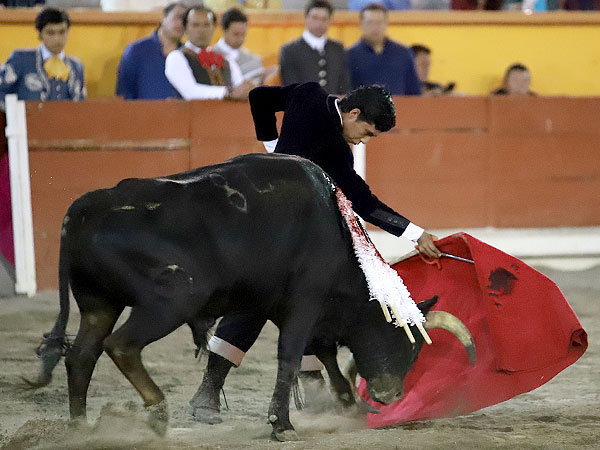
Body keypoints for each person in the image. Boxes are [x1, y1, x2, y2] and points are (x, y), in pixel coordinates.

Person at [188, 81, 441, 424]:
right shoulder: (329, 136)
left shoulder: (310, 101)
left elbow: (363, 202)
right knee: (256, 301)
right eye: (366, 132)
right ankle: (207, 391)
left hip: (292, 235)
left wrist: (412, 233)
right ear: (353, 113)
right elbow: (259, 98)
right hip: (262, 230)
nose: (364, 140)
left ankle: (317, 393)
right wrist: (275, 151)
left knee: (306, 303)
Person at [0, 7, 86, 111]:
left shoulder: (76, 66)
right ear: (40, 34)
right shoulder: (21, 59)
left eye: (62, 32)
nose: (57, 39)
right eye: (50, 33)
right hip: (28, 125)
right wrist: (16, 116)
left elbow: (81, 104)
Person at [164, 5, 254, 101]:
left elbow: (240, 87)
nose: (201, 30)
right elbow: (191, 92)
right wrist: (228, 92)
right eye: (195, 25)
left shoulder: (226, 59)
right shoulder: (176, 57)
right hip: (191, 115)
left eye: (206, 25)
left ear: (214, 28)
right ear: (185, 29)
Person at [346, 3, 421, 96]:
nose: (374, 27)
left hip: (399, 108)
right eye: (370, 22)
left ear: (386, 23)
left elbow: (414, 91)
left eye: (379, 22)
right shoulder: (349, 55)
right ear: (361, 24)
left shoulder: (403, 53)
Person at [115, 2, 186, 100]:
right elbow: (124, 93)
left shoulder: (188, 54)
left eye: (186, 20)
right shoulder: (136, 50)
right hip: (141, 113)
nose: (181, 23)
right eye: (177, 17)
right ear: (163, 18)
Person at [279, 0, 351, 95]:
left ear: (330, 21)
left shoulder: (338, 49)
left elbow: (345, 85)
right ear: (306, 18)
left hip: (334, 107)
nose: (319, 23)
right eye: (315, 18)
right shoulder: (289, 50)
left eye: (324, 19)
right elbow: (291, 86)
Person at [212, 7, 277, 86]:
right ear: (224, 31)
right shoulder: (211, 55)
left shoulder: (254, 59)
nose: (240, 39)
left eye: (243, 35)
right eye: (236, 34)